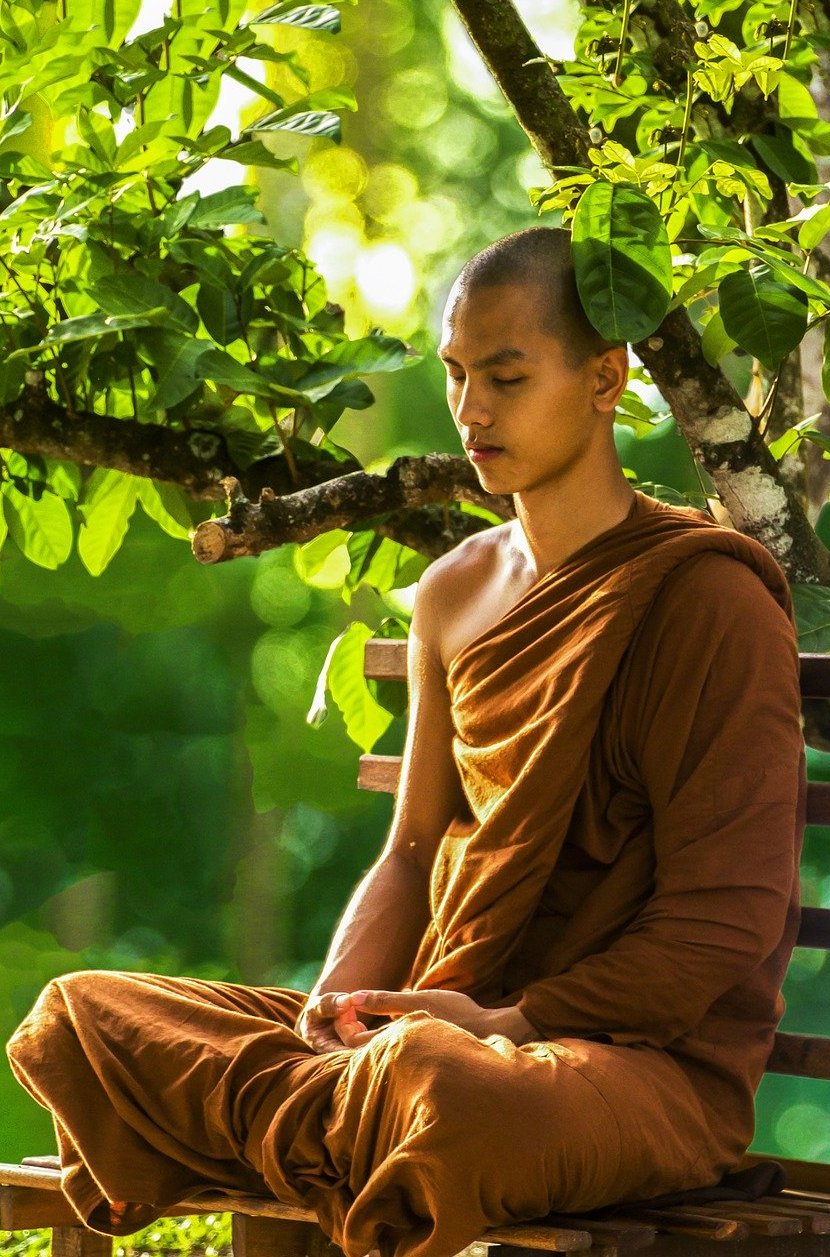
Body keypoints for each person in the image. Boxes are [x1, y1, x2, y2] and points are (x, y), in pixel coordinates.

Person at [7, 227, 805, 1257]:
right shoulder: (453, 590)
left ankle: (315, 1122)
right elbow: (414, 847)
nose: (470, 412)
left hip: (623, 1073)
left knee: (444, 1092)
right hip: (432, 1034)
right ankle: (345, 1113)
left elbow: (719, 929)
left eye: (506, 378)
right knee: (84, 1011)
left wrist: (500, 1025)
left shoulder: (704, 596)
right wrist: (330, 1018)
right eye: (457, 376)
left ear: (604, 378)